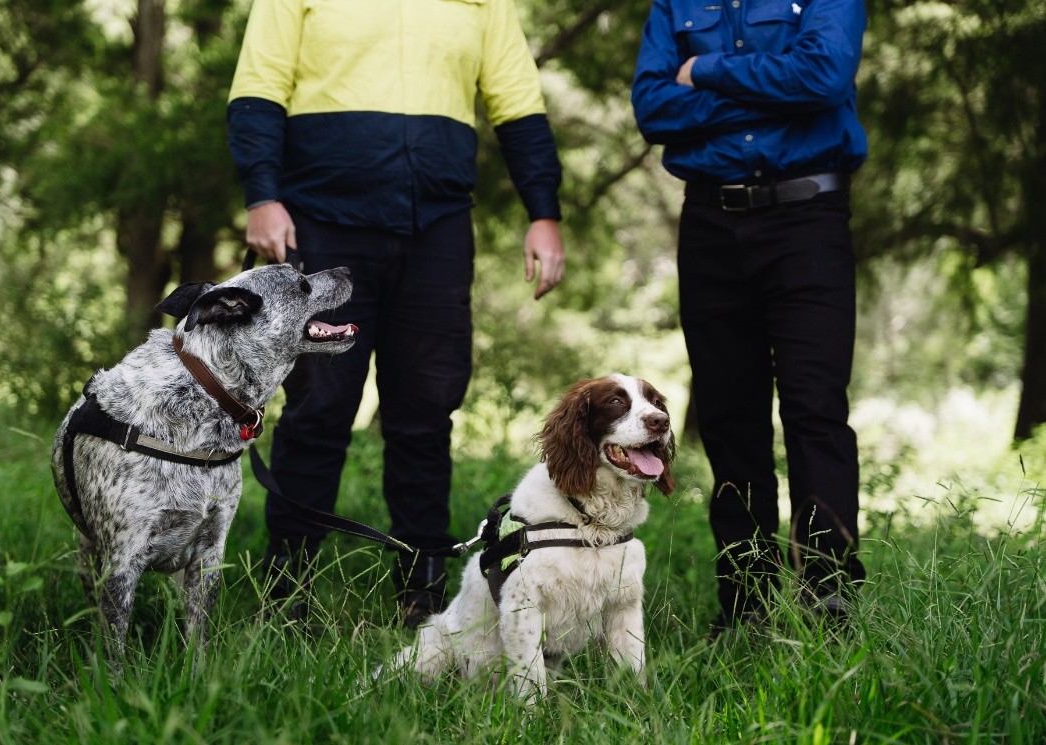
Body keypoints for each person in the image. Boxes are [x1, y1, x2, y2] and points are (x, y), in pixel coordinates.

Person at [227, 0, 564, 628]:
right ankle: (286, 586)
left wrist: (543, 211)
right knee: (319, 409)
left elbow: (518, 104)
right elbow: (259, 87)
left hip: (436, 228)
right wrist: (262, 195)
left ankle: (423, 585)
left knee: (425, 414)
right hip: (324, 222)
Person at [631, 0, 868, 632]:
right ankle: (746, 603)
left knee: (815, 409)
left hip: (808, 220)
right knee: (730, 417)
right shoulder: (674, 4)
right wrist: (777, 89)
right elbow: (653, 108)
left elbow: (824, 77)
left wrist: (704, 68)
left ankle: (829, 596)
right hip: (711, 225)